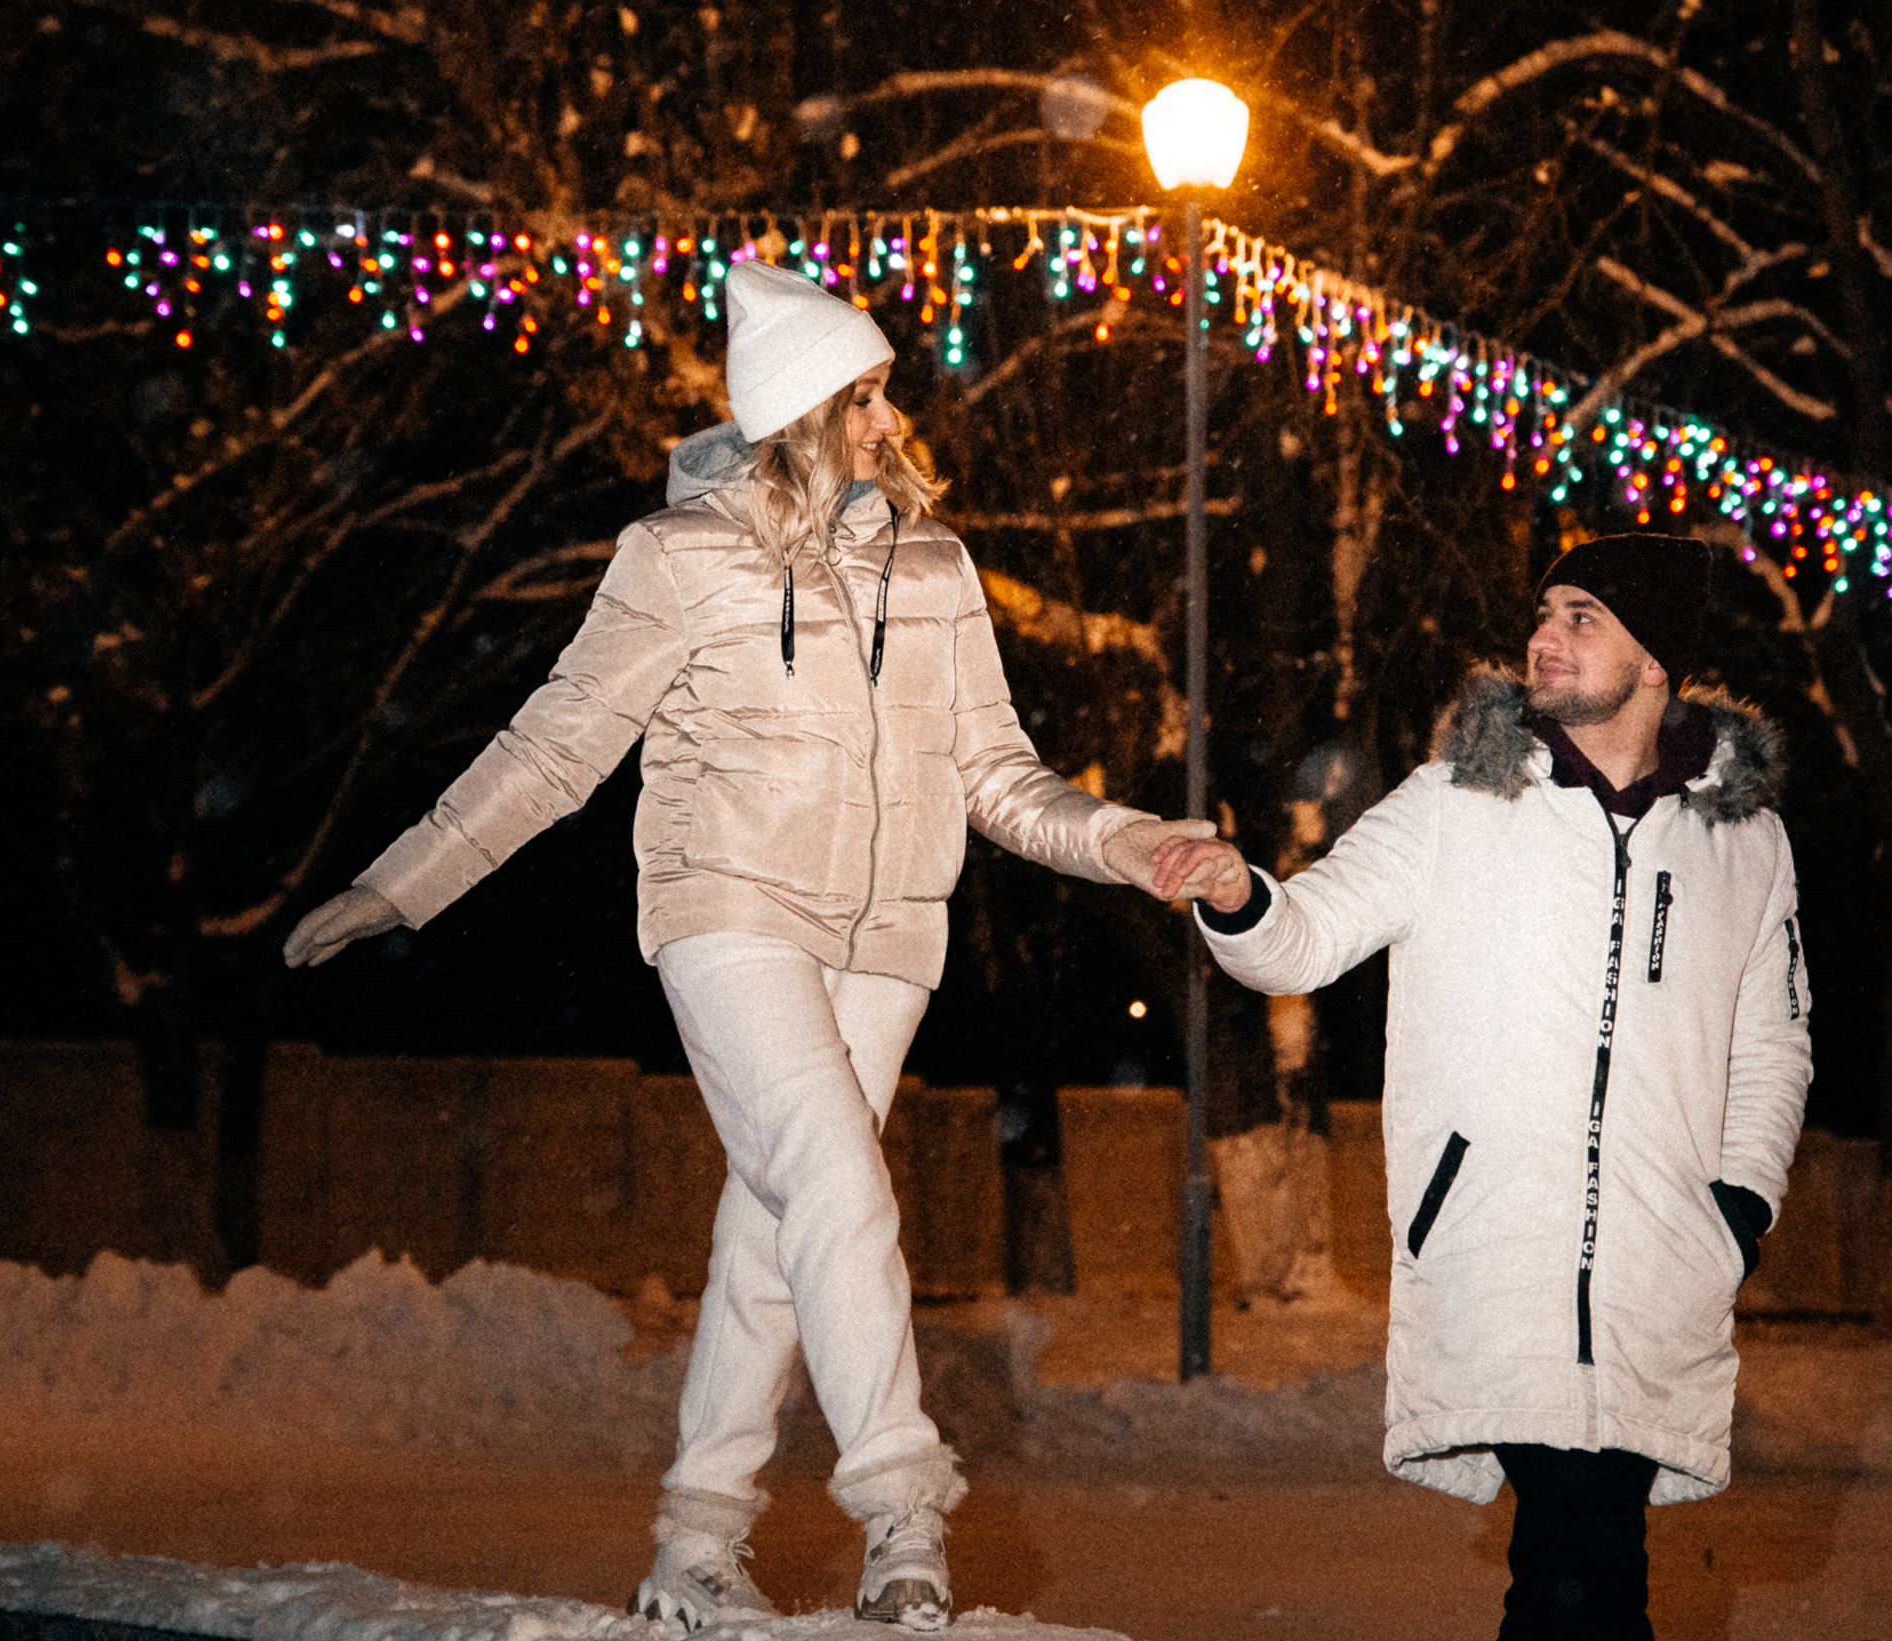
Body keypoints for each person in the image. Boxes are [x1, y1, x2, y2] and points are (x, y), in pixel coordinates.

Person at [283, 259, 1213, 1634]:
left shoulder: (938, 568)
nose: (893, 419)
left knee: (779, 1233)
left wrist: (1129, 840)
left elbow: (1001, 776)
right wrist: (402, 884)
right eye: (868, 394)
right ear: (802, 408)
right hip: (727, 909)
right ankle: (905, 1510)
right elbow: (556, 747)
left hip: (889, 938)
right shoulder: (678, 559)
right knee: (837, 1181)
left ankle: (694, 1548)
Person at [1151, 532, 1811, 1640]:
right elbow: (1304, 939)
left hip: (1659, 1264)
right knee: (1579, 1546)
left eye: (1581, 618)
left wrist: (1735, 1211)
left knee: (1584, 1571)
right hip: (1499, 1245)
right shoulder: (1454, 803)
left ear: (1655, 662)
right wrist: (1238, 894)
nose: (1543, 639)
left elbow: (1773, 1045)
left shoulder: (1744, 843)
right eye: (1545, 612)